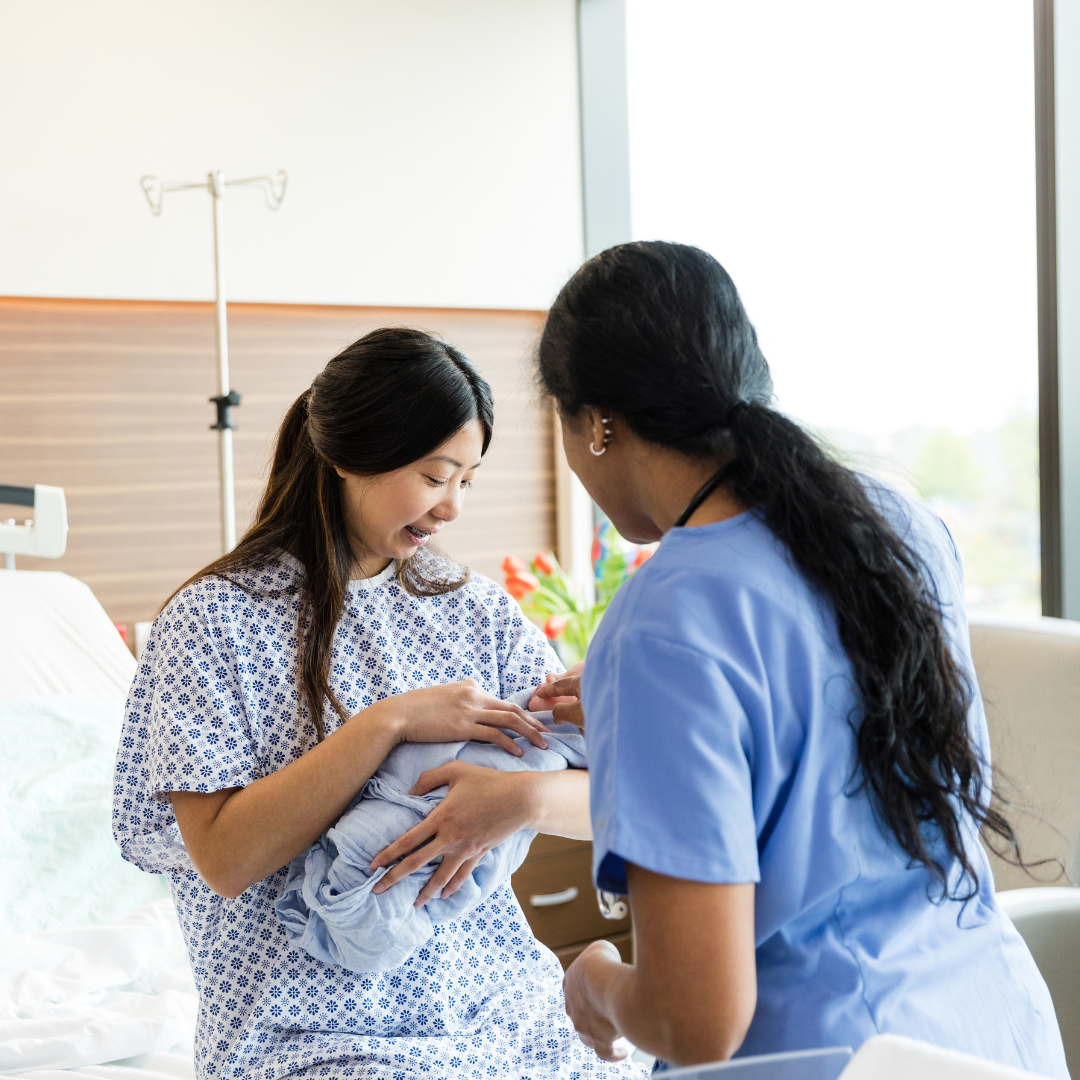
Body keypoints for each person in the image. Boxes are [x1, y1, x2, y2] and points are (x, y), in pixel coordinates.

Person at [532, 242, 1068, 1075]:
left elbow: (694, 1019)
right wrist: (638, 723)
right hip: (994, 1034)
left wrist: (595, 980)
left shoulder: (659, 624)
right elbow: (829, 739)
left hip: (833, 1058)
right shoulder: (899, 526)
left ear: (596, 423)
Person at [112, 328, 645, 1080]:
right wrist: (385, 725)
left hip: (499, 1007)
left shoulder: (476, 611)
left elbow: (617, 795)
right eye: (435, 477)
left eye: (468, 481)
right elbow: (225, 860)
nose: (452, 507)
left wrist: (523, 801)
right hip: (309, 1035)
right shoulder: (213, 622)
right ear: (350, 455)